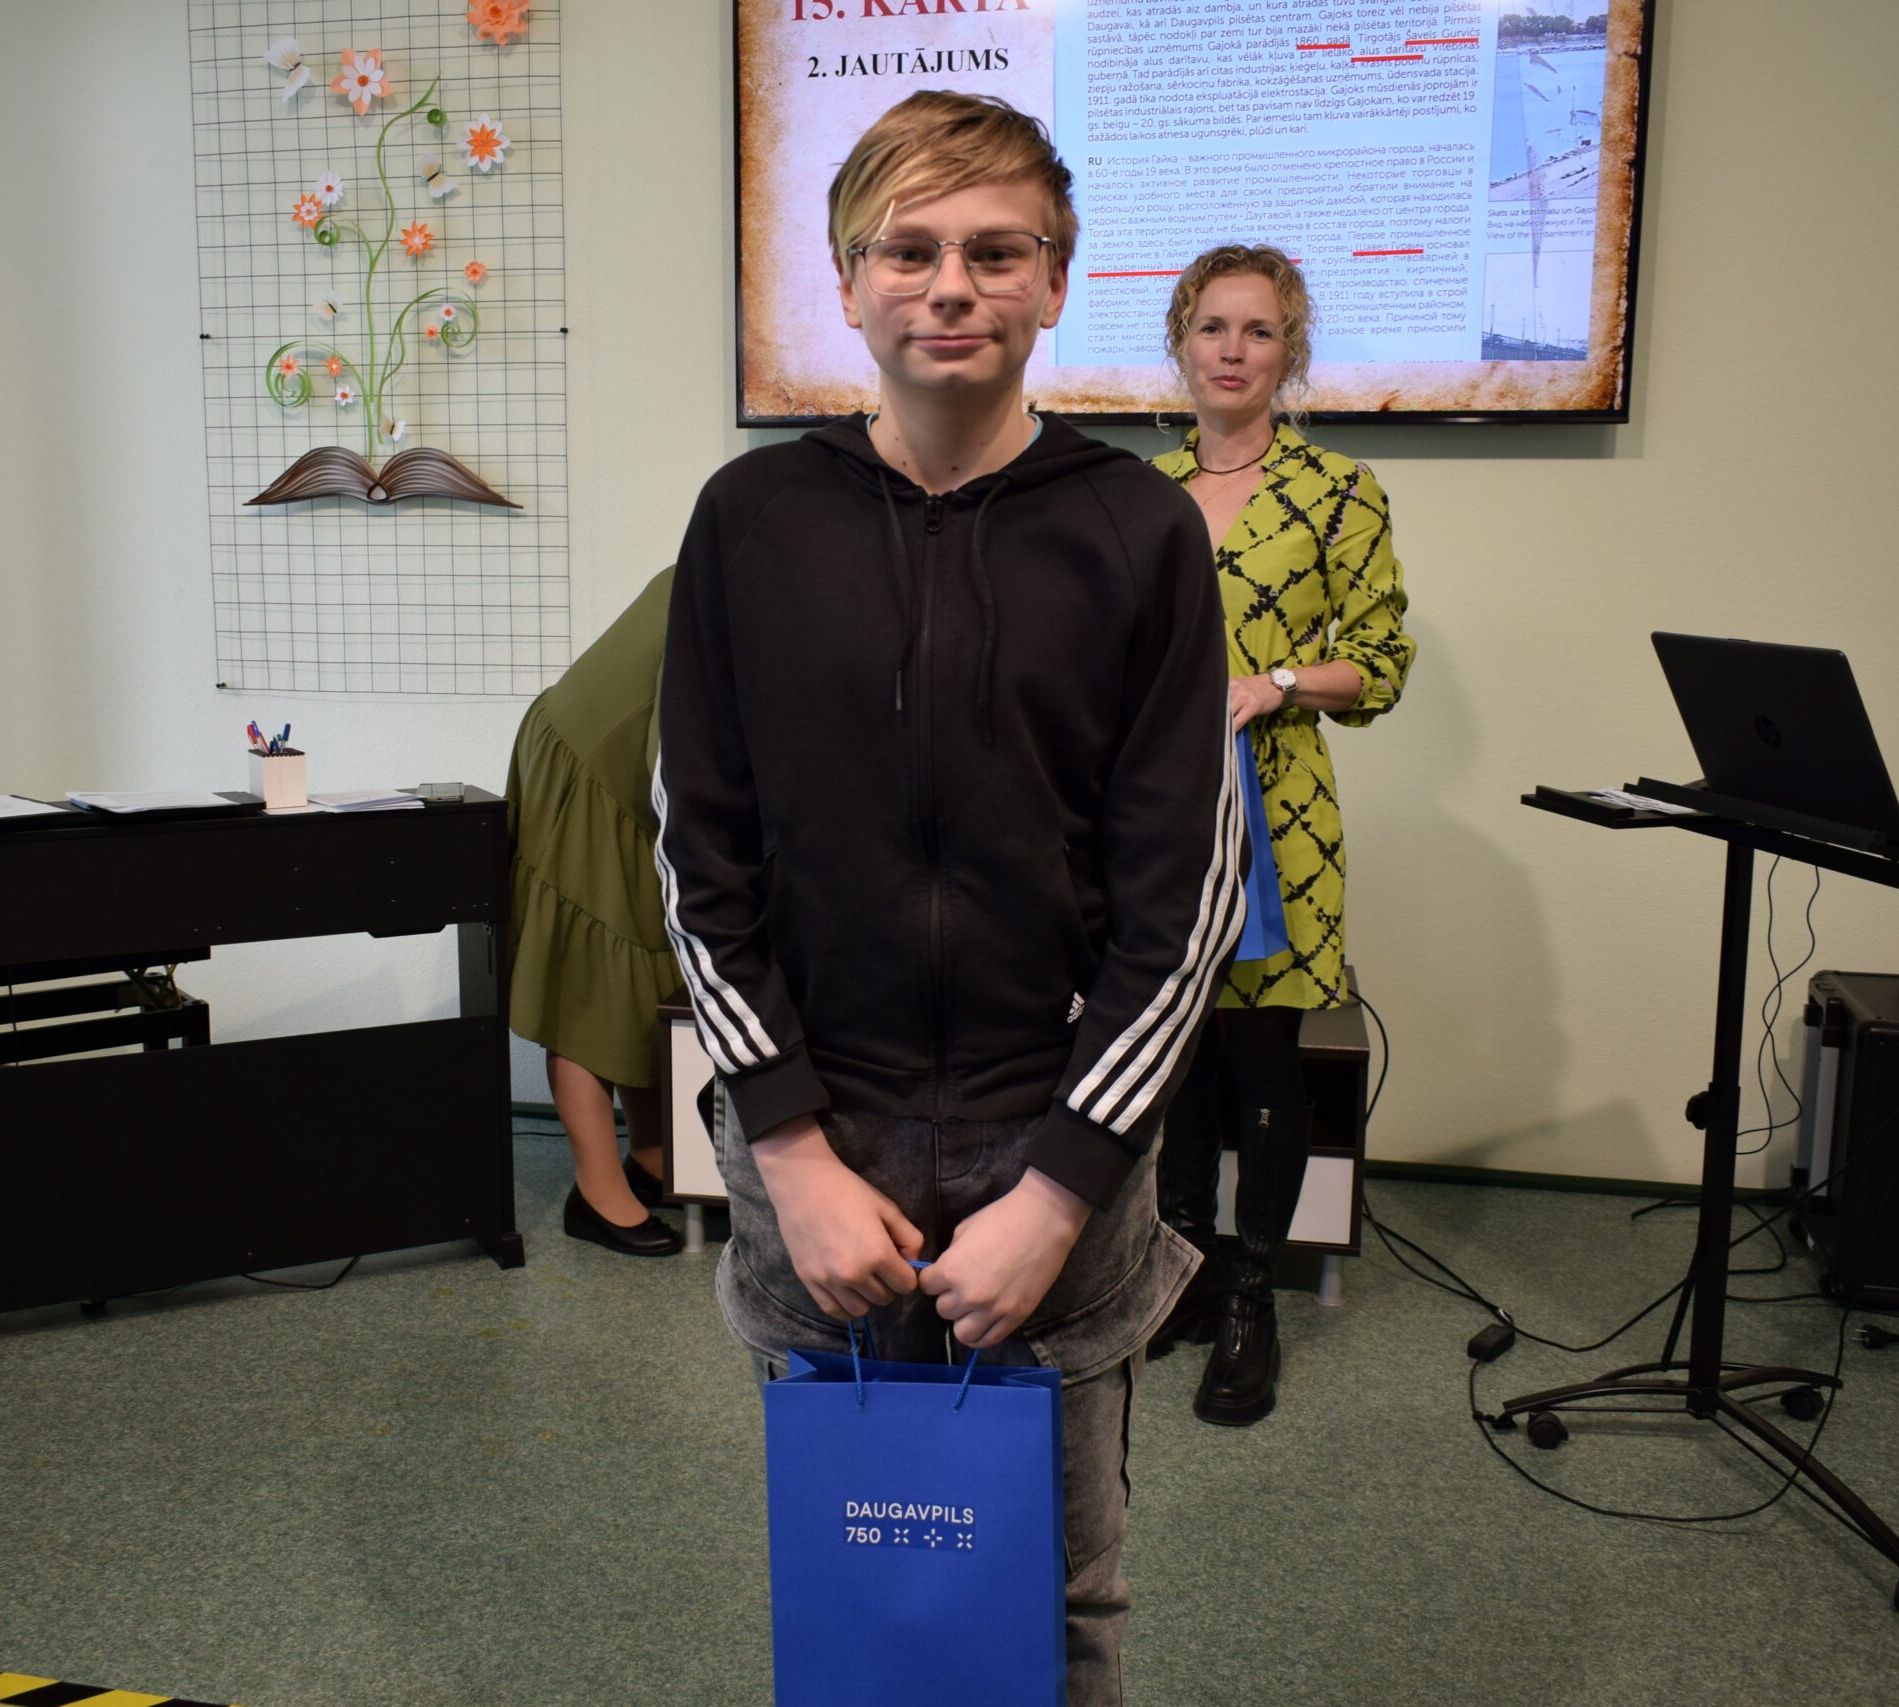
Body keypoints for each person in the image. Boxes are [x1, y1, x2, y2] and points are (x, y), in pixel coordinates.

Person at [655, 92, 1240, 1703]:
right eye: (908, 249)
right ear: (848, 279)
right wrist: (791, 1152)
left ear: (1056, 280)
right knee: (858, 1572)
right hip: (816, 1140)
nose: (951, 285)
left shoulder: (1138, 531)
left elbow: (1185, 898)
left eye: (996, 250)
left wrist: (1055, 1191)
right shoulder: (751, 522)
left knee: (1055, 1592)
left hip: (1052, 1128)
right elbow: (697, 858)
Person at [1147, 244, 1416, 1425]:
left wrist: (1279, 681)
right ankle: (1181, 1270)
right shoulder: (1137, 491)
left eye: (1258, 331)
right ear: (1180, 343)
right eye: (1212, 327)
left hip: (1278, 810)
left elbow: (1383, 663)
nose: (1232, 350)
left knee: (1260, 1058)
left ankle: (1250, 1295)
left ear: (1289, 351)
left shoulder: (1339, 489)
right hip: (1156, 811)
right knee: (1172, 1057)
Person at [505, 567, 687, 1257]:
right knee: (587, 988)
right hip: (587, 777)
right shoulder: (718, 593)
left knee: (649, 968)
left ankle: (650, 1155)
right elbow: (675, 757)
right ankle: (595, 1188)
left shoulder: (739, 577)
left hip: (631, 790)